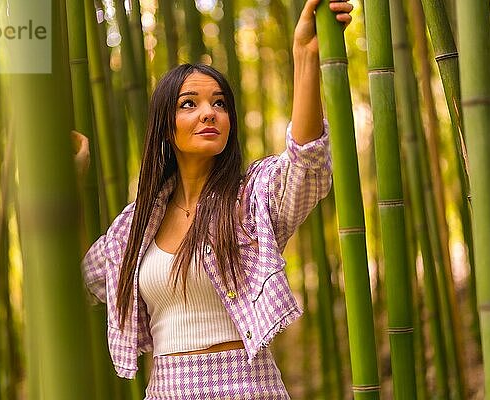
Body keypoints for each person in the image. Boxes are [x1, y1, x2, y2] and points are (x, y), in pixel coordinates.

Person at [80, 0, 352, 398]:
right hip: (167, 390)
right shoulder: (135, 224)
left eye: (219, 103)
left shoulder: (250, 198)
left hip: (244, 386)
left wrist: (305, 56)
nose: (209, 113)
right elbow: (77, 283)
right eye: (189, 103)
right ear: (165, 128)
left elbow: (306, 163)